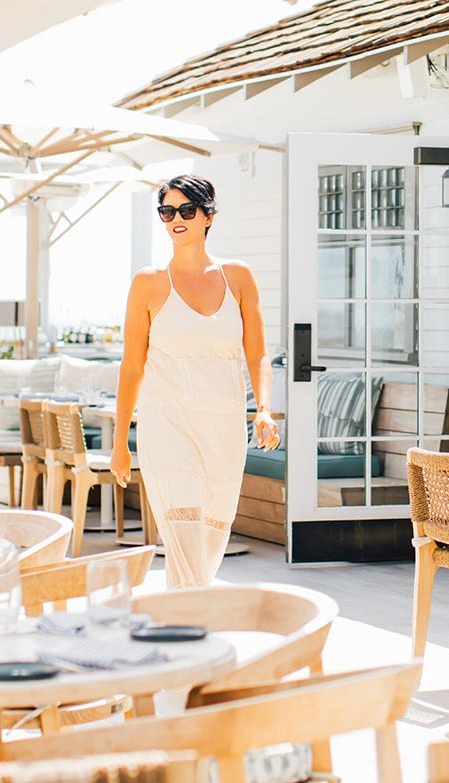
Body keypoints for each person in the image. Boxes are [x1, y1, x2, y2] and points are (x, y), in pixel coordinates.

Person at [111, 175, 279, 588]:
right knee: (183, 535)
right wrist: (119, 443)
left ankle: (186, 621)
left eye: (187, 210)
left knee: (208, 543)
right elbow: (132, 366)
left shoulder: (238, 277)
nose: (176, 219)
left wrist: (264, 409)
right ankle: (190, 626)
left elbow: (256, 353)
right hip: (167, 422)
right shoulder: (147, 282)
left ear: (208, 216)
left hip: (223, 425)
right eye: (168, 212)